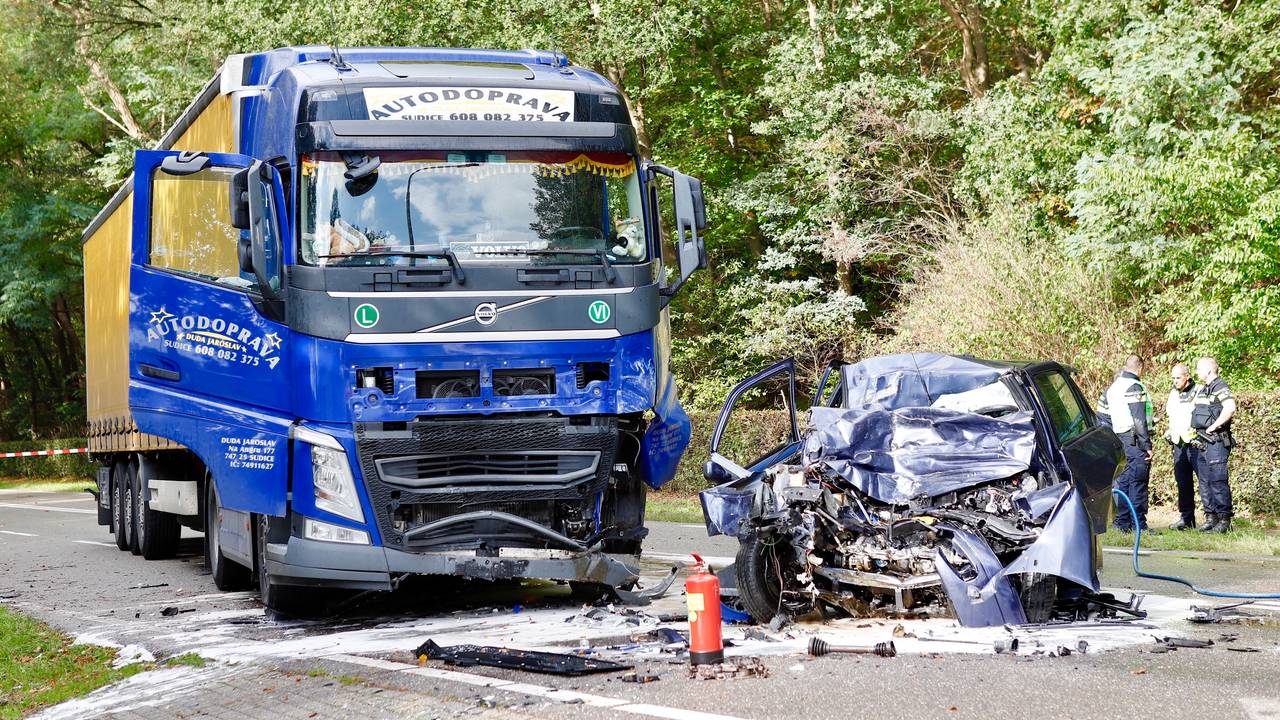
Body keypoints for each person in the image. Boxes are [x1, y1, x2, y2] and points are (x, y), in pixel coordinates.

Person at [1107, 355, 1153, 532]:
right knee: (1139, 481)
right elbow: (1138, 419)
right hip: (1135, 440)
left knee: (1124, 481)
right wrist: (1147, 445)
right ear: (1140, 367)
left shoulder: (1115, 386)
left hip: (1120, 439)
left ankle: (1122, 522)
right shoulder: (1134, 386)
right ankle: (1139, 525)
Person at [1192, 357, 1236, 533]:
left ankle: (1224, 521)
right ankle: (1212, 518)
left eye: (1198, 369)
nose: (1196, 372)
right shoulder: (1204, 389)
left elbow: (1230, 407)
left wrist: (1214, 426)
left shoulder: (1220, 386)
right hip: (1203, 441)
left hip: (1216, 440)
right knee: (1205, 481)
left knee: (1218, 481)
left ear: (1208, 370)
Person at [1164, 363, 1200, 531]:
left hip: (1195, 443)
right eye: (1173, 378)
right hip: (1178, 443)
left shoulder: (1198, 390)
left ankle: (1212, 519)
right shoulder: (1173, 393)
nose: (1175, 381)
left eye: (1178, 378)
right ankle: (1186, 519)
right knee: (1183, 483)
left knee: (1205, 482)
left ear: (1187, 376)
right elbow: (1172, 416)